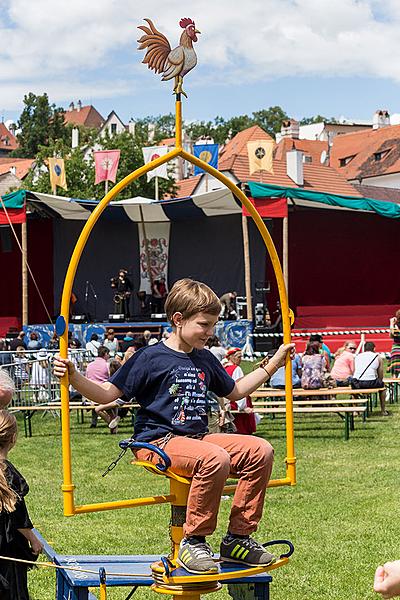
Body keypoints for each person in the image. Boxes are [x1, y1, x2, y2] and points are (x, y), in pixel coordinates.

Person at [54, 278, 295, 574]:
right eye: (204, 325)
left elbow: (235, 391)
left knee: (261, 449)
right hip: (157, 441)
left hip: (197, 438)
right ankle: (193, 541)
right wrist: (74, 377)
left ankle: (237, 539)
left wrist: (272, 365)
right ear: (178, 320)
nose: (210, 333)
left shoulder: (204, 358)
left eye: (213, 325)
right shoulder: (149, 357)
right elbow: (106, 395)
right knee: (214, 458)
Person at [0, 410, 43, 599]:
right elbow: (19, 517)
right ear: (13, 438)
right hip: (7, 551)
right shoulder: (9, 475)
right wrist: (34, 540)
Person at [224, 348, 257, 435]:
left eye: (241, 357)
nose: (240, 359)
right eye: (238, 357)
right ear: (231, 357)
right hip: (235, 402)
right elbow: (240, 388)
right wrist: (242, 407)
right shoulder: (236, 369)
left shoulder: (223, 368)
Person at [85, 346, 118, 432]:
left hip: (91, 394)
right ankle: (112, 423)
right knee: (111, 406)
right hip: (104, 393)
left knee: (100, 406)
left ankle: (95, 422)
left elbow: (87, 378)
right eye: (108, 354)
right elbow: (111, 378)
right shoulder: (107, 365)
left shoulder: (89, 365)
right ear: (105, 354)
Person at [352, 341, 387, 415]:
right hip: (371, 382)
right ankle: (383, 410)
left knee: (354, 388)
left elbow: (354, 371)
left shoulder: (357, 356)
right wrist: (379, 381)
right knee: (383, 389)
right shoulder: (377, 357)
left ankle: (355, 410)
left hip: (358, 382)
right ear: (374, 349)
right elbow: (380, 374)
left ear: (364, 349)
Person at [389, 309, 400, 378]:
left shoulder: (395, 327)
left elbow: (391, 335)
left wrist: (391, 324)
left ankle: (394, 388)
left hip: (396, 350)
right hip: (397, 350)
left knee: (394, 371)